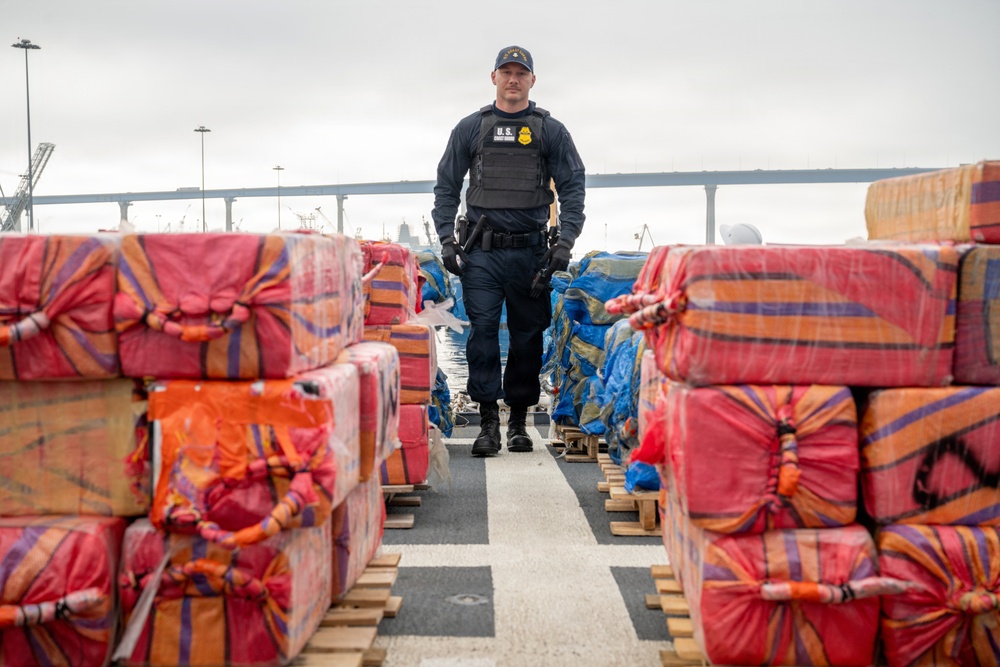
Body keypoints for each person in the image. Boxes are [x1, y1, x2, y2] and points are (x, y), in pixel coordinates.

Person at [431, 45, 586, 457]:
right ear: (494, 77)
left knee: (527, 337)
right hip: (481, 253)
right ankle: (486, 424)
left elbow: (573, 188)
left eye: (521, 73)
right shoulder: (471, 128)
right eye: (506, 72)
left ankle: (517, 420)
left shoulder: (550, 131)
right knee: (481, 335)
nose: (513, 79)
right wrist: (446, 238)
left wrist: (564, 243)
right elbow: (446, 187)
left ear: (532, 80)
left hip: (531, 253)